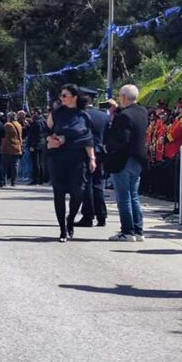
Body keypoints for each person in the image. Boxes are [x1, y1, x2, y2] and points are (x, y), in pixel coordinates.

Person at [45, 84, 96, 243]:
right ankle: (62, 229)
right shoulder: (56, 113)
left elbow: (88, 139)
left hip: (77, 159)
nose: (62, 98)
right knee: (59, 193)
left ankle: (70, 219)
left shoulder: (84, 116)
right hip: (58, 158)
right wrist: (50, 140)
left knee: (78, 193)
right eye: (61, 96)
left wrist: (92, 158)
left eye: (65, 95)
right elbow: (46, 131)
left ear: (74, 97)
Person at [104, 84, 149, 242]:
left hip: (124, 160)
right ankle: (138, 230)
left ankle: (127, 232)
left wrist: (107, 146)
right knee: (133, 196)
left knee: (123, 197)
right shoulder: (143, 112)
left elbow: (122, 140)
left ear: (123, 97)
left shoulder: (124, 116)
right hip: (138, 159)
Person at [77, 90, 110, 227]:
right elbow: (108, 135)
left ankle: (88, 216)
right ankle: (101, 215)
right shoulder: (103, 116)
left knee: (86, 184)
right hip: (100, 152)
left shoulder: (80, 115)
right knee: (97, 184)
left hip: (85, 152)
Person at [0, 112, 22, 188]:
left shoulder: (7, 125)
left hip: (8, 148)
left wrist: (2, 147)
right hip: (17, 147)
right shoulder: (19, 125)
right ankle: (14, 181)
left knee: (4, 166)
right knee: (15, 166)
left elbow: (3, 136)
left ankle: (3, 181)